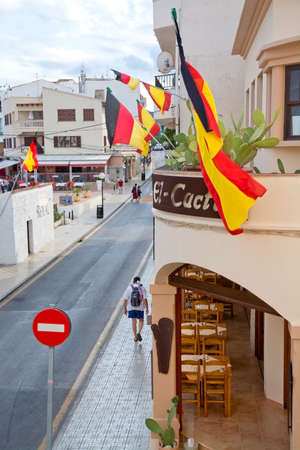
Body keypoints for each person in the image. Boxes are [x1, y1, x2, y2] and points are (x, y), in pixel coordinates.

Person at [124, 276, 149, 342]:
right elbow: (144, 299)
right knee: (141, 320)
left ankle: (135, 336)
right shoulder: (142, 288)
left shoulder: (129, 288)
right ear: (139, 281)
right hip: (140, 308)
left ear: (133, 281)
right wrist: (147, 308)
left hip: (131, 308)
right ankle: (138, 333)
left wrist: (125, 309)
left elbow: (125, 300)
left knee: (133, 322)